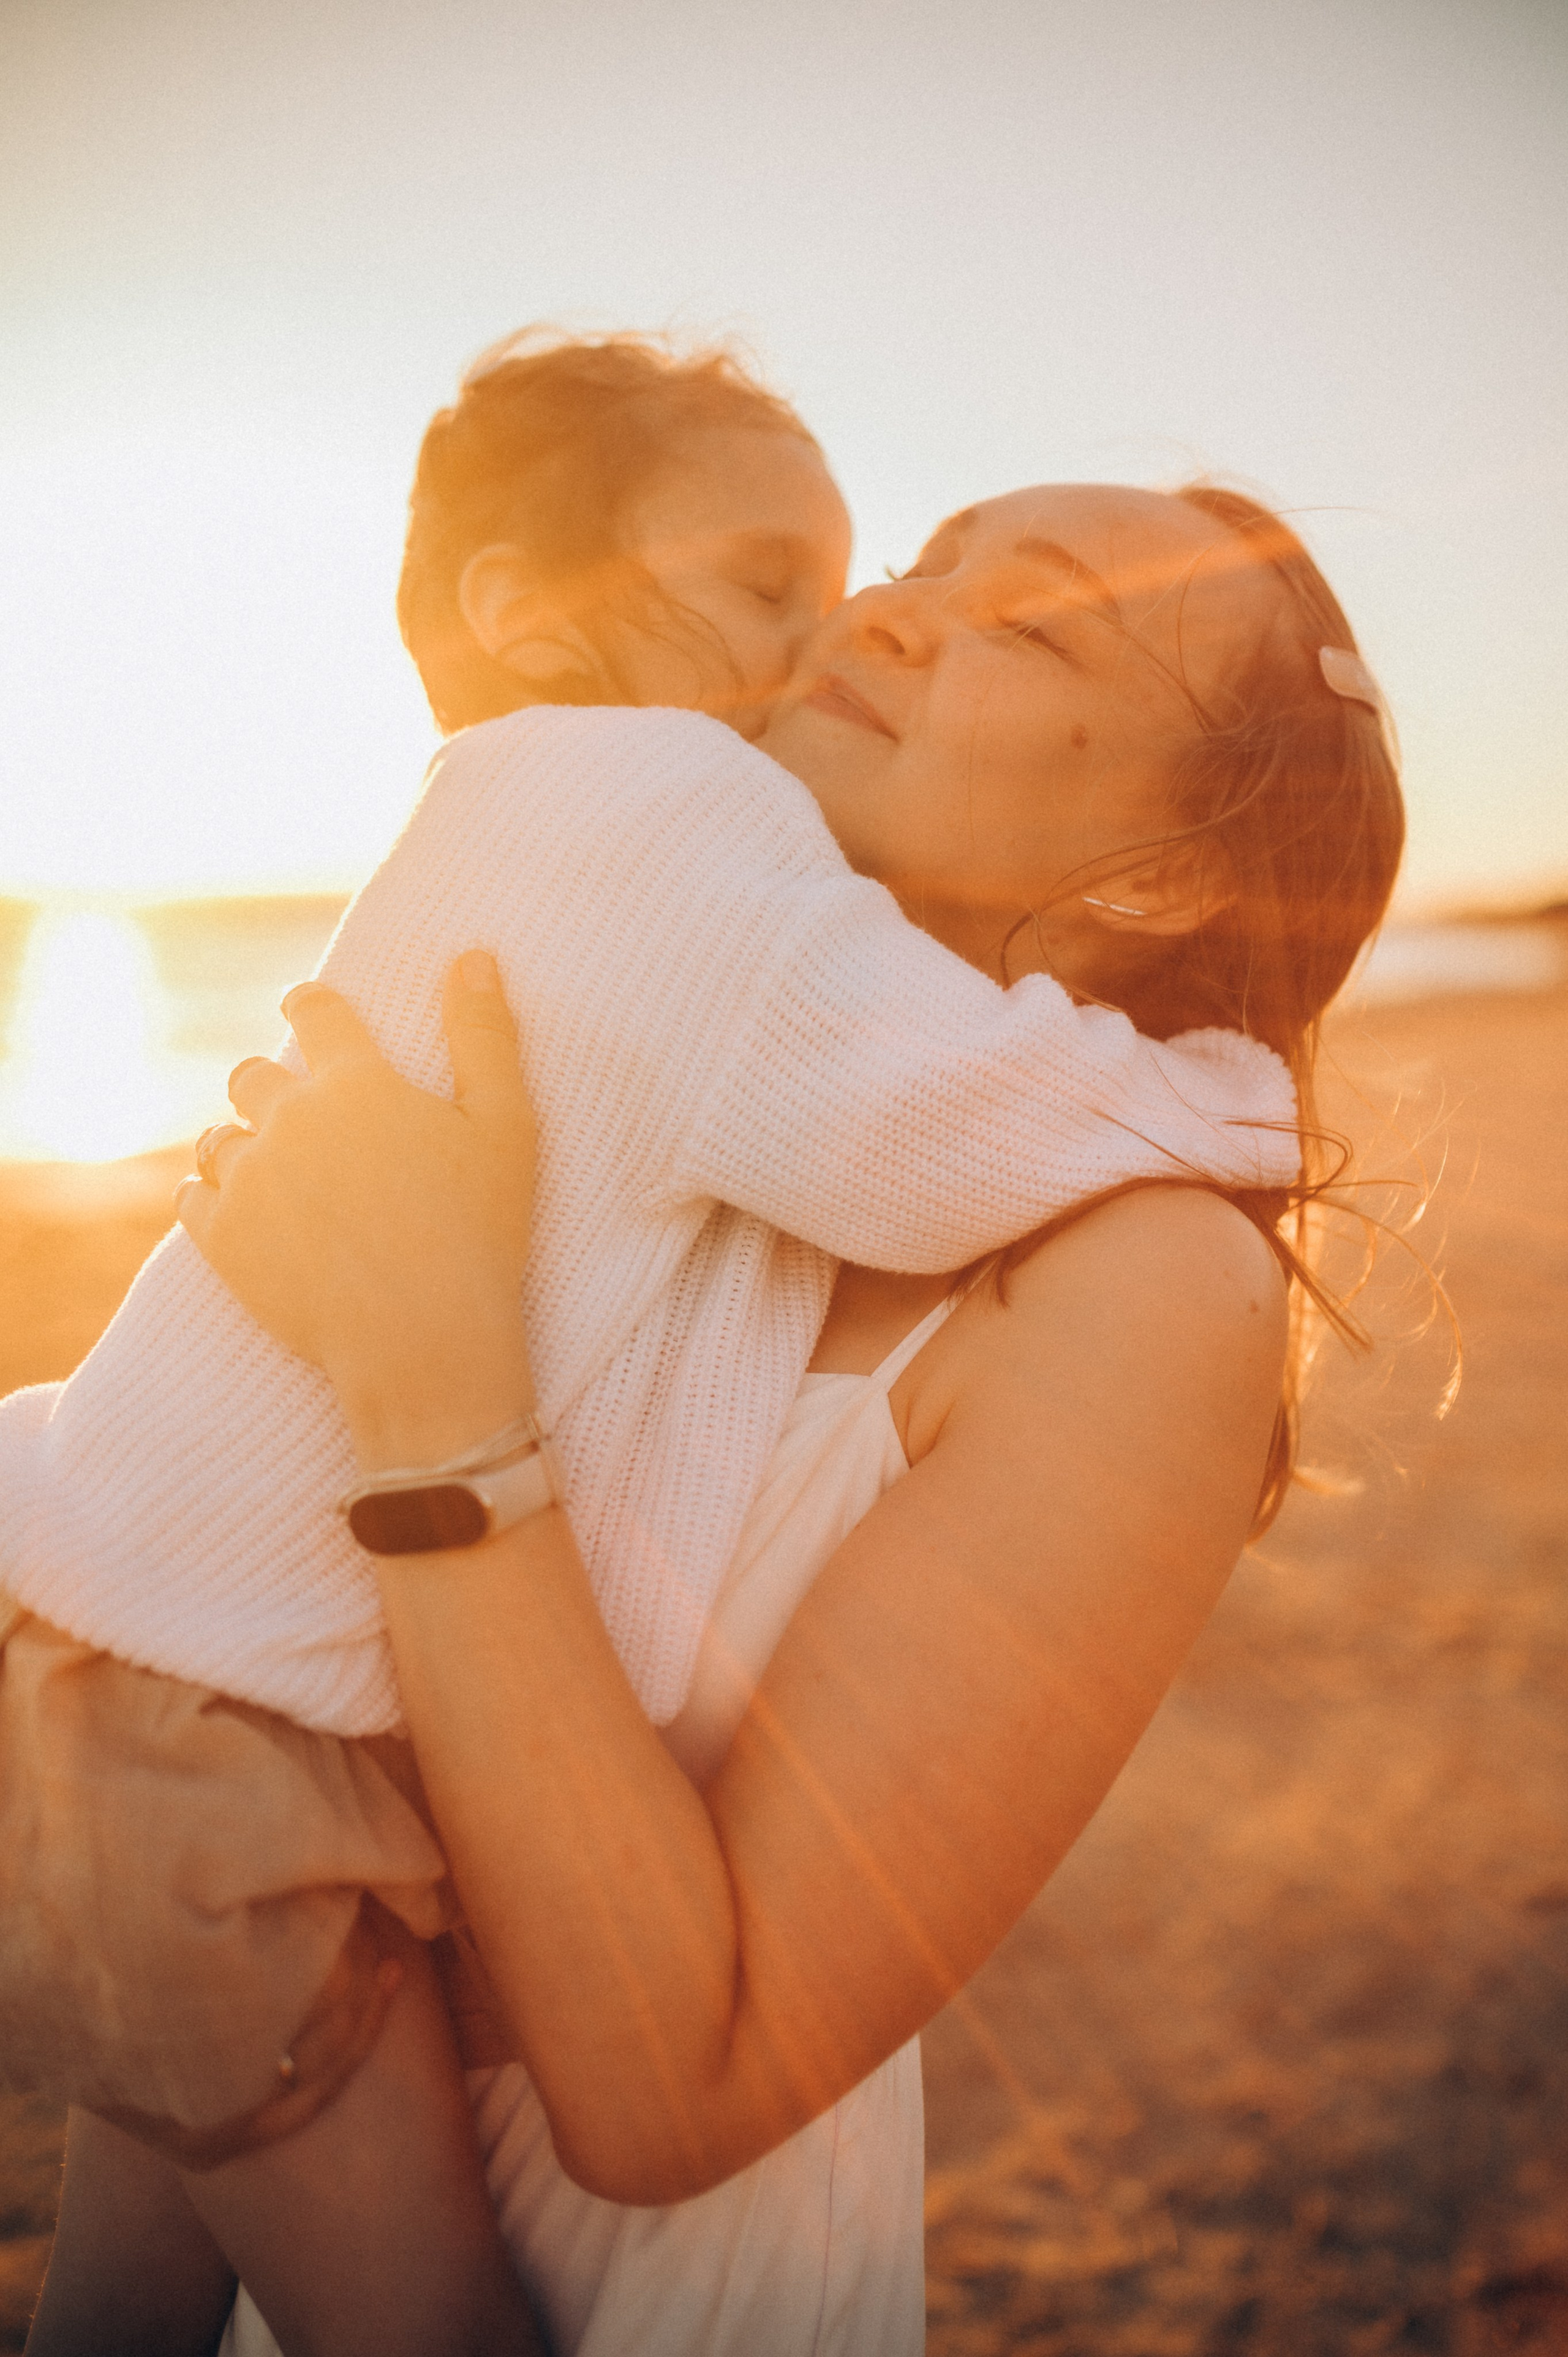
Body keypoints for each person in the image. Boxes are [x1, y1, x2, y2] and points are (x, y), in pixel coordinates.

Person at [9, 372, 1393, 2355]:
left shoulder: (1145, 1267)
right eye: (922, 562)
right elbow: (238, 1714)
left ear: (1169, 875)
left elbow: (671, 2092)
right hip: (305, 2080)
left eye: (1032, 625)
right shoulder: (665, 1049)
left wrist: (431, 1385)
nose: (890, 609)